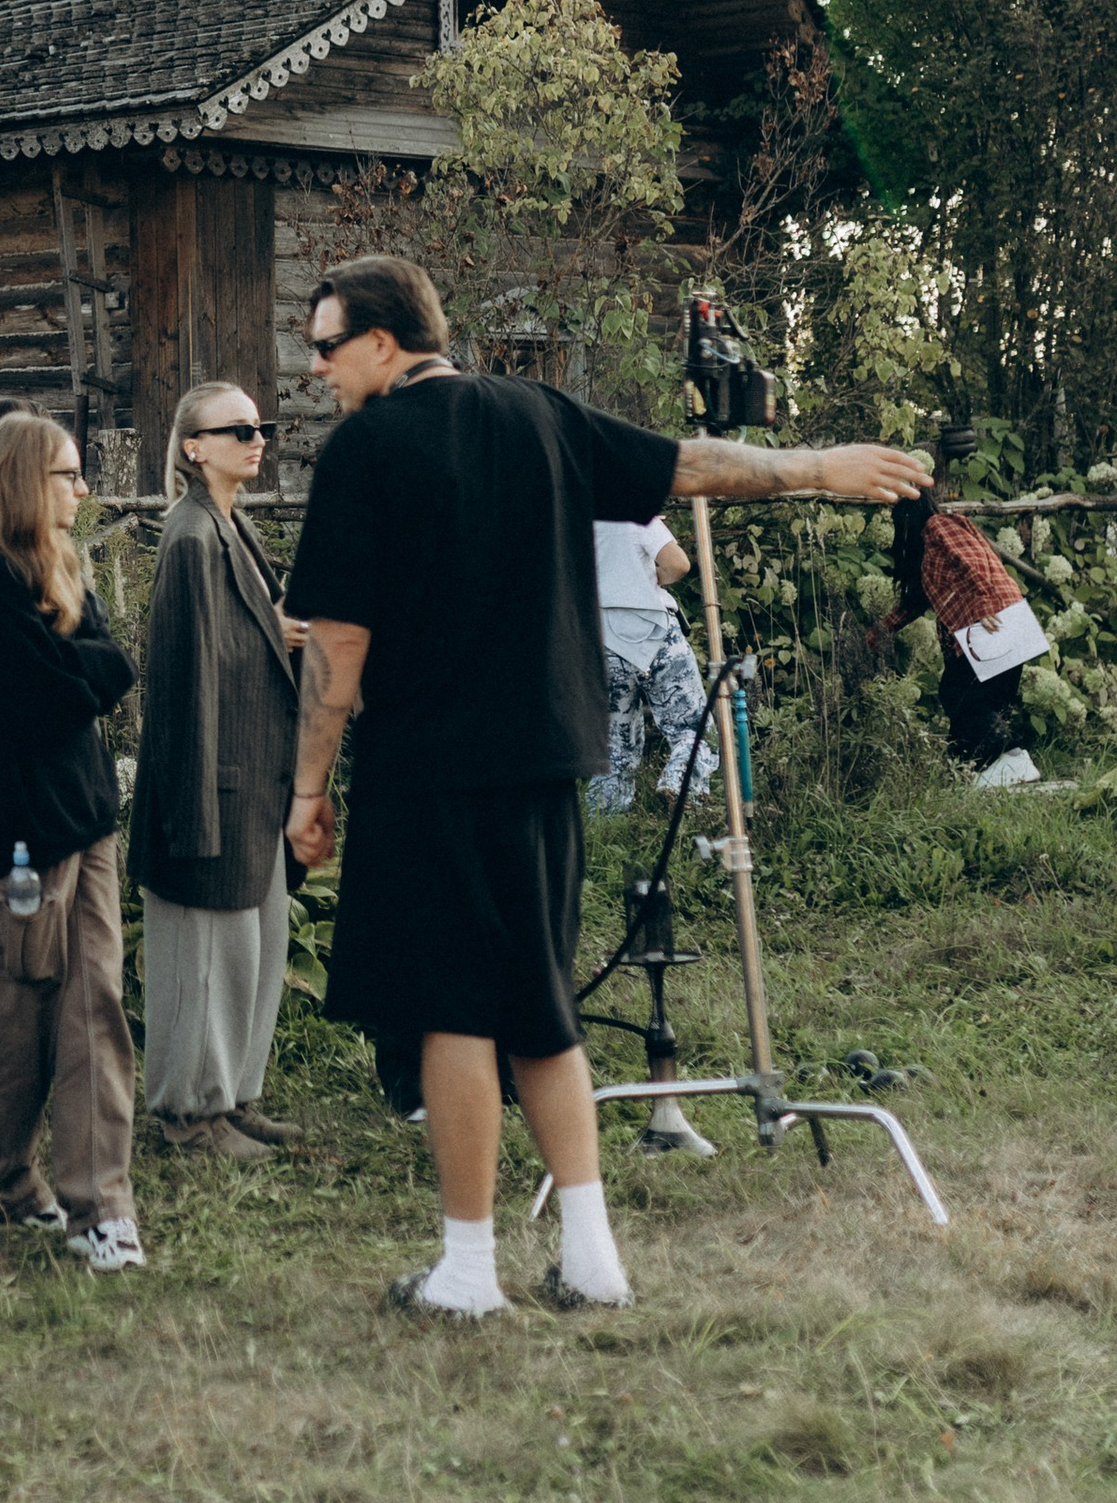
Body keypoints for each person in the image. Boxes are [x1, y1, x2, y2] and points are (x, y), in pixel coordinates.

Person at [282, 253, 926, 1322]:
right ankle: (590, 1261)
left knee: (449, 1011)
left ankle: (468, 1270)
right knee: (538, 1004)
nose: (316, 371)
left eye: (323, 348)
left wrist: (308, 788)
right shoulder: (537, 414)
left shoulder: (364, 451)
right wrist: (819, 464)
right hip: (544, 755)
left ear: (383, 343)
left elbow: (337, 646)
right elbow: (692, 467)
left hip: (429, 768)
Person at [0, 412, 143, 1273]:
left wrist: (82, 663)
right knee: (75, 1006)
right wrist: (84, 664)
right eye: (68, 475)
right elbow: (56, 695)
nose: (82, 489)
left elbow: (109, 668)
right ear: (27, 481)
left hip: (79, 814)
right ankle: (98, 1209)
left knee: (45, 998)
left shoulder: (58, 571)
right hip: (28, 826)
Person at [128, 382, 301, 1165]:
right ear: (193, 447)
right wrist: (191, 810)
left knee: (256, 948)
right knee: (202, 959)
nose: (255, 438)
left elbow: (241, 638)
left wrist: (280, 629)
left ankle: (232, 1096)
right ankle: (190, 1118)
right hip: (213, 784)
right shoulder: (191, 537)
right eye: (236, 429)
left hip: (254, 779)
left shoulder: (233, 525)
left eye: (260, 426)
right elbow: (182, 682)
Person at [888, 428, 1047, 784]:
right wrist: (880, 630)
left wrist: (985, 607)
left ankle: (1011, 761)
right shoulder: (930, 554)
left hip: (995, 623)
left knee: (963, 697)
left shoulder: (938, 527)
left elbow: (975, 562)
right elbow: (916, 602)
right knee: (972, 700)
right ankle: (997, 768)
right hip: (1003, 625)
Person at [586, 515, 716, 815]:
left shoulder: (573, 520)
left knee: (614, 746)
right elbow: (678, 563)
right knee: (692, 726)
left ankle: (605, 821)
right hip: (653, 632)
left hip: (603, 639)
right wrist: (655, 577)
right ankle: (680, 787)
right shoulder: (636, 515)